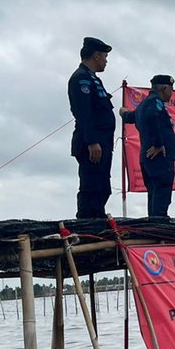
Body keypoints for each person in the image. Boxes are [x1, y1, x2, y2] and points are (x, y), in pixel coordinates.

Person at [68, 37, 116, 219]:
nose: (106, 61)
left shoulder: (92, 79)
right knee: (92, 186)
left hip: (102, 142)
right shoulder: (81, 79)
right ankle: (88, 222)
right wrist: (92, 141)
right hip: (92, 144)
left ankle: (97, 218)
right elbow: (83, 112)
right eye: (104, 56)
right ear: (96, 56)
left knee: (102, 186)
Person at [132, 75, 175, 217]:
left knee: (154, 192)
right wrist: (158, 143)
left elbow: (130, 117)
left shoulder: (144, 104)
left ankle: (154, 221)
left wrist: (123, 112)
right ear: (164, 88)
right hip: (158, 156)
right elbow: (152, 116)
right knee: (162, 191)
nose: (172, 93)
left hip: (147, 157)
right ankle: (159, 224)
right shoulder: (155, 102)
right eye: (171, 89)